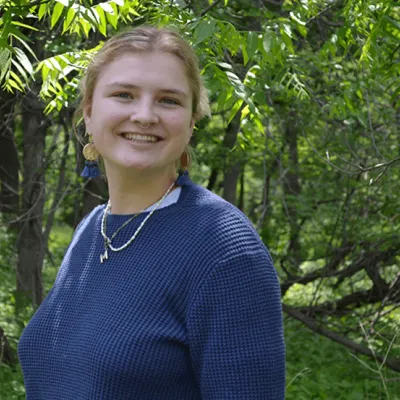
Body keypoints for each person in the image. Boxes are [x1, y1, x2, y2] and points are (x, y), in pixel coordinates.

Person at [18, 26, 285, 399]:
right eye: (124, 94)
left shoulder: (224, 248)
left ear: (191, 122)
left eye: (168, 101)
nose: (144, 115)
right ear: (90, 113)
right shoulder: (92, 229)